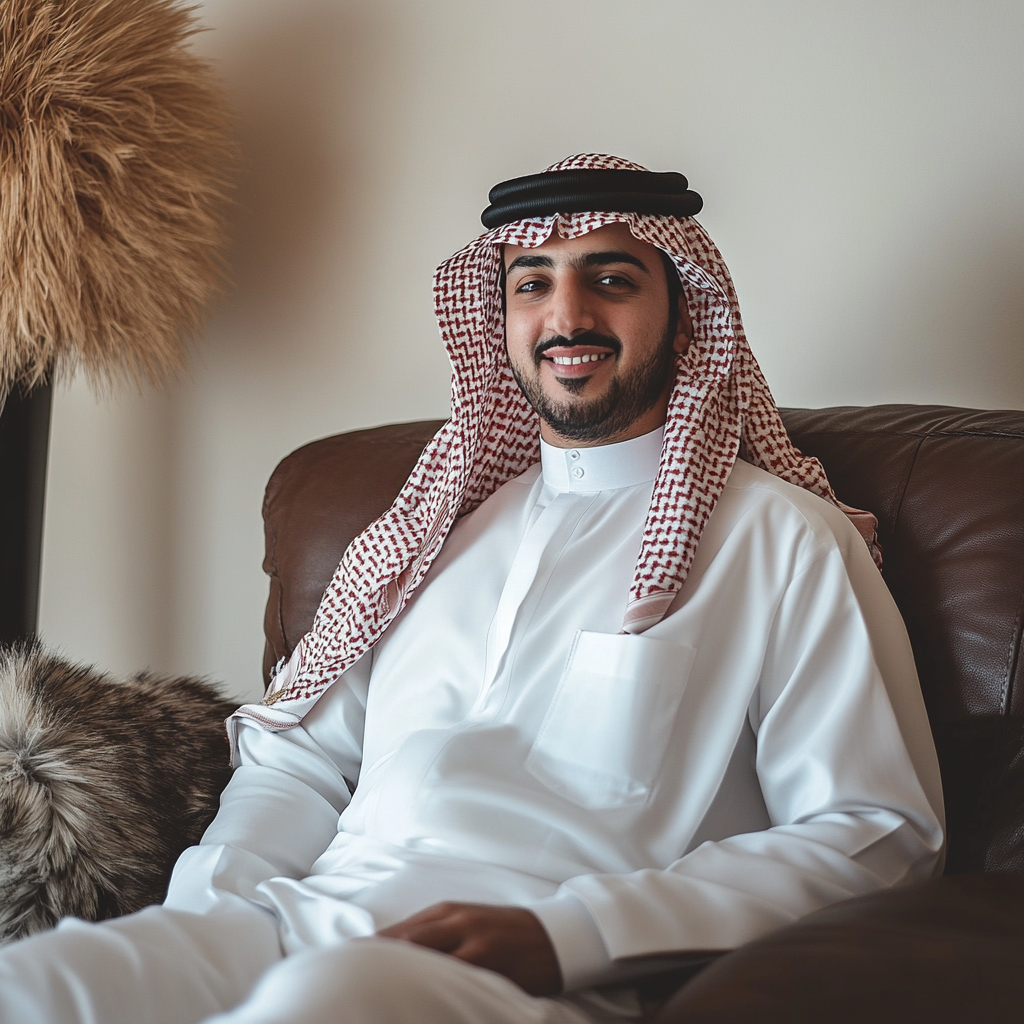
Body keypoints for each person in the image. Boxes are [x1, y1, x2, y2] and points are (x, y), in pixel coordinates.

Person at [0, 154, 944, 1024]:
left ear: (685, 310)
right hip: (290, 925)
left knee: (324, 1000)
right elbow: (298, 762)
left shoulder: (783, 541)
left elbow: (877, 831)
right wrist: (210, 916)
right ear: (499, 318)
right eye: (532, 283)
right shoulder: (432, 535)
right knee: (37, 985)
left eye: (611, 279)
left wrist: (576, 935)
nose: (567, 315)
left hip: (529, 971)